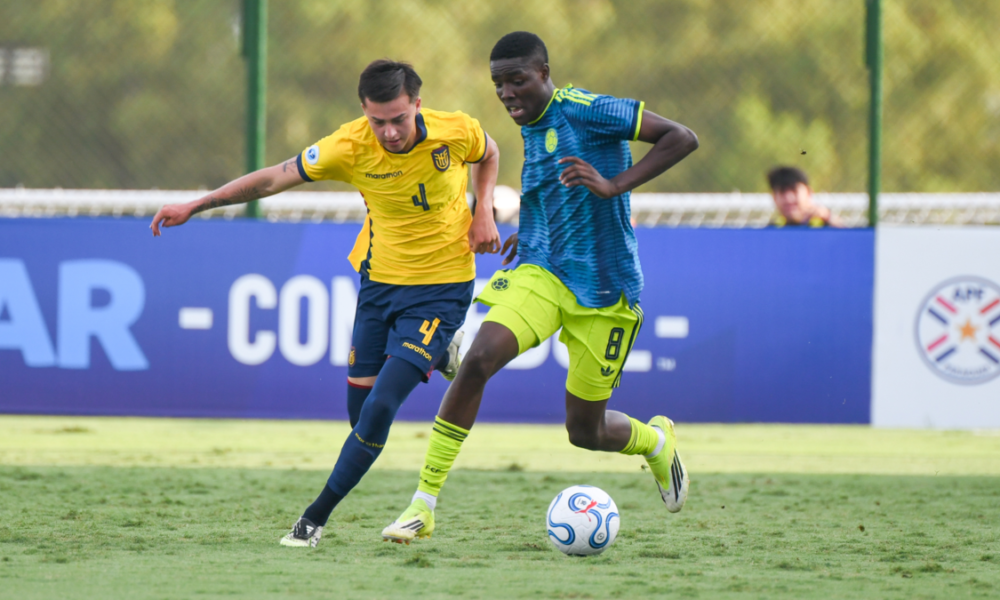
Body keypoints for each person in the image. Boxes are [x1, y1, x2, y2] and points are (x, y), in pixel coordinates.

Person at [149, 60, 502, 548]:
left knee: (380, 408)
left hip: (442, 287)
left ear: (417, 105)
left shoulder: (455, 130)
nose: (390, 132)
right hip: (378, 285)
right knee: (360, 418)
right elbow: (275, 178)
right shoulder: (348, 145)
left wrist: (483, 209)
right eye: (378, 121)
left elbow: (490, 153)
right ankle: (442, 353)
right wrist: (196, 204)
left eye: (398, 119)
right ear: (363, 111)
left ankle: (313, 520)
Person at [382, 31, 699, 544]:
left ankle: (655, 442)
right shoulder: (529, 123)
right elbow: (547, 183)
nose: (507, 93)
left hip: (607, 291)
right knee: (479, 358)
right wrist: (528, 234)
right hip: (544, 270)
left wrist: (616, 184)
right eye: (498, 84)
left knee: (585, 432)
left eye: (517, 80)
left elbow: (682, 137)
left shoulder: (587, 109)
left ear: (545, 75)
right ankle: (423, 505)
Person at [767, 166, 842, 228]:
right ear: (774, 197)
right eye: (782, 192)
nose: (789, 199)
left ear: (808, 193)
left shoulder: (827, 226)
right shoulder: (771, 232)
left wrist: (829, 218)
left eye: (794, 190)